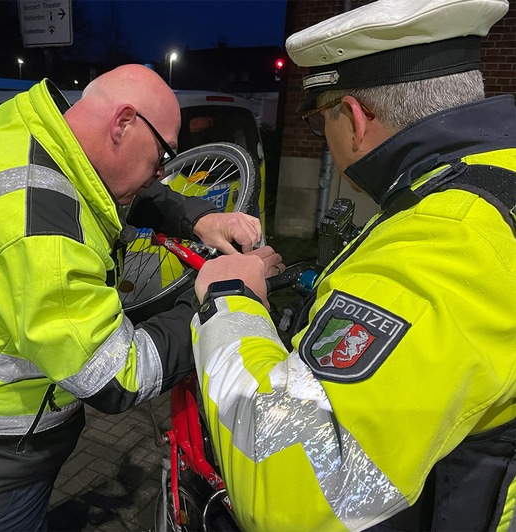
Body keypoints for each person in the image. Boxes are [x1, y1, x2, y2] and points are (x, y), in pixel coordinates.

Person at [0, 64, 276, 531]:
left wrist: (197, 217)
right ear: (123, 123)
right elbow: (119, 375)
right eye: (162, 153)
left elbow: (105, 185)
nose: (162, 171)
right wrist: (224, 297)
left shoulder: (30, 125)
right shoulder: (43, 230)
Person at [191, 0, 516, 530]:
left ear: (355, 118)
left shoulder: (447, 240)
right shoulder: (491, 180)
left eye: (322, 121)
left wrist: (232, 300)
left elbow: (289, 488)